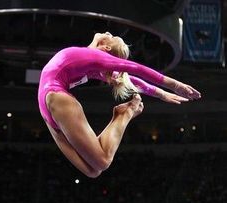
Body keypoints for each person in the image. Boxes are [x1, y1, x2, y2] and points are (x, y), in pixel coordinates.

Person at [38, 32, 201, 178]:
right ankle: (125, 112)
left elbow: (136, 71)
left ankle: (124, 113)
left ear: (107, 47)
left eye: (113, 37)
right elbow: (124, 74)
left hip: (51, 101)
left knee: (94, 171)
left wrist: (172, 86)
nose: (108, 32)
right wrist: (163, 93)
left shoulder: (93, 59)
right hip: (53, 100)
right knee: (100, 164)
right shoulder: (88, 57)